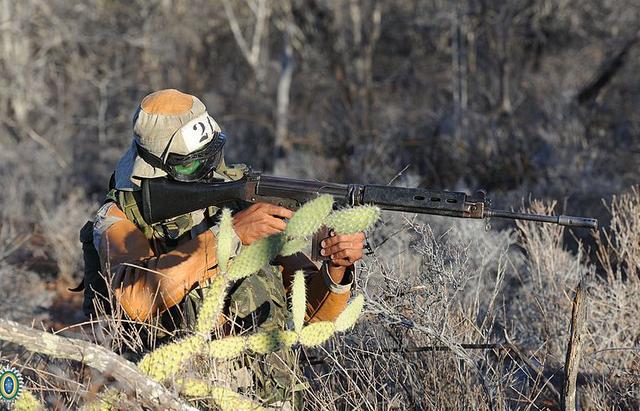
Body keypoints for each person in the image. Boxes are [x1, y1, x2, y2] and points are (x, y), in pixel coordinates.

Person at [81, 88, 365, 405]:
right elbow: (136, 300)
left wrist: (336, 267)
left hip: (265, 396)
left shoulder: (244, 198)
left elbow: (313, 319)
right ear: (155, 167)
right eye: (191, 166)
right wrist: (229, 237)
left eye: (212, 156)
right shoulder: (122, 217)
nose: (208, 172)